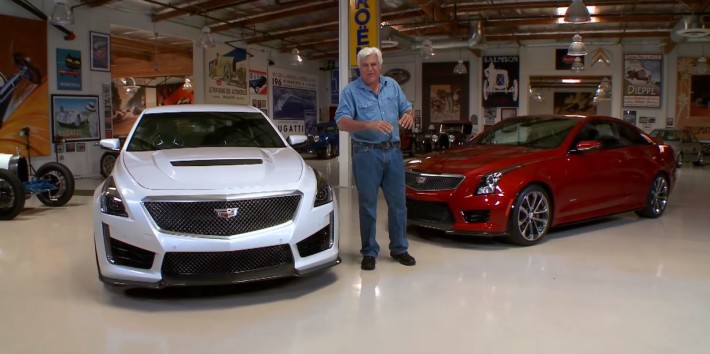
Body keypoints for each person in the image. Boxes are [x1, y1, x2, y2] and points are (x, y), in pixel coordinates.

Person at [334, 47, 416, 271]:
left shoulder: (393, 86)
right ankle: (369, 251)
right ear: (359, 67)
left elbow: (408, 108)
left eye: (373, 64)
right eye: (365, 65)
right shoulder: (351, 92)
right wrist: (368, 125)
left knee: (398, 204)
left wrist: (409, 115)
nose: (370, 69)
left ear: (380, 66)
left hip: (394, 152)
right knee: (368, 205)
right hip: (366, 153)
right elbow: (341, 122)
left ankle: (399, 248)